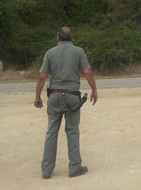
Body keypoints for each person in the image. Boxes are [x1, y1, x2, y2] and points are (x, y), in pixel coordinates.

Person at [34, 26, 98, 179]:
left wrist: (37, 96)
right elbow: (88, 72)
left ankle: (47, 170)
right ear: (71, 38)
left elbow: (42, 77)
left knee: (51, 132)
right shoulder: (79, 51)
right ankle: (75, 168)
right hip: (72, 97)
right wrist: (94, 90)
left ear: (58, 37)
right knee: (72, 131)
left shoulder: (50, 53)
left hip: (55, 96)